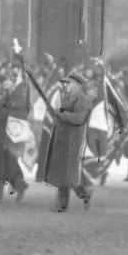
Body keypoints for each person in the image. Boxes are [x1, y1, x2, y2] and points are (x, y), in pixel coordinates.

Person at [43, 73, 93, 212]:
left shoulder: (83, 100)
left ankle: (63, 204)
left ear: (78, 85)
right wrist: (56, 111)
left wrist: (60, 114)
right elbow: (64, 111)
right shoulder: (68, 96)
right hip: (63, 137)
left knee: (68, 172)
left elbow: (79, 119)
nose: (67, 85)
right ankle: (83, 195)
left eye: (69, 83)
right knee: (64, 172)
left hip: (73, 140)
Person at [0, 71, 30, 202]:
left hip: (10, 137)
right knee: (7, 164)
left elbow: (15, 116)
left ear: (14, 83)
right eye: (4, 80)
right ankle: (19, 186)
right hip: (3, 135)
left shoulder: (18, 98)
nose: (4, 82)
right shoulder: (8, 96)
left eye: (8, 80)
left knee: (6, 164)